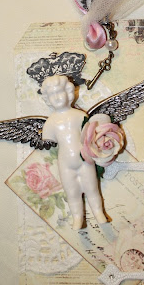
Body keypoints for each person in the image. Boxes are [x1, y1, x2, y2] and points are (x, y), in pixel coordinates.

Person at [41, 75, 108, 230]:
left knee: (92, 188)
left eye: (59, 92)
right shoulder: (50, 123)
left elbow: (88, 135)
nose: (56, 97)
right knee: (72, 193)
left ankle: (99, 213)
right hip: (65, 164)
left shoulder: (80, 116)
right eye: (51, 94)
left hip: (85, 159)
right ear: (47, 99)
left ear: (69, 92)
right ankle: (77, 218)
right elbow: (50, 140)